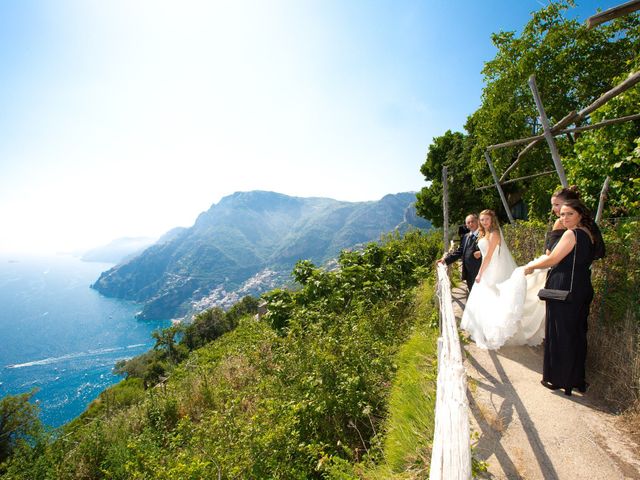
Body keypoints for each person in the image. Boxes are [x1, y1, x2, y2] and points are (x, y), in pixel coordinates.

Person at [524, 199, 602, 396]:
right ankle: (576, 380)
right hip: (582, 286)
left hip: (565, 288)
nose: (564, 218)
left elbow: (552, 259)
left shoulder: (572, 233)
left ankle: (561, 380)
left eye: (569, 214)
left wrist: (530, 267)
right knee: (576, 333)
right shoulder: (590, 233)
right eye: (562, 215)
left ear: (580, 215)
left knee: (561, 334)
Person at [460, 210, 547, 350]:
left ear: (492, 219)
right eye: (482, 220)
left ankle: (494, 332)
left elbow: (488, 257)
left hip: (492, 270)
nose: (484, 222)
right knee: (484, 300)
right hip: (487, 267)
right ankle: (483, 330)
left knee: (493, 298)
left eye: (486, 219)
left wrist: (479, 273)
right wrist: (479, 252)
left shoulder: (494, 233)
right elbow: (486, 251)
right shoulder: (485, 233)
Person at [437, 214, 481, 291]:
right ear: (466, 225)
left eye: (472, 221)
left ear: (477, 222)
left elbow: (491, 249)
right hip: (468, 273)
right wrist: (445, 260)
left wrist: (481, 252)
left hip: (481, 273)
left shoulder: (484, 235)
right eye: (468, 222)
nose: (470, 224)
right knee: (472, 294)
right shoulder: (465, 236)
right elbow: (459, 252)